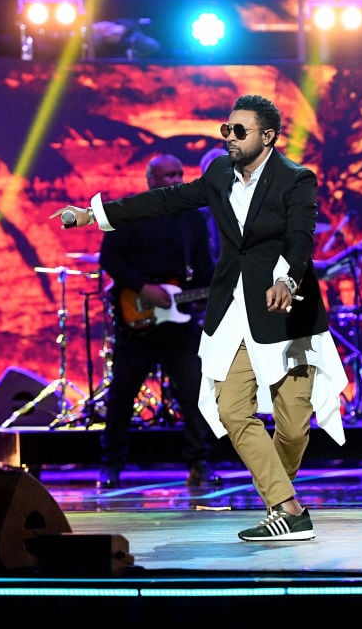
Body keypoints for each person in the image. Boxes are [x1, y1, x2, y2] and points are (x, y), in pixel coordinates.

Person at [53, 94, 348, 541]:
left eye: (239, 130)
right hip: (233, 314)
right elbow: (163, 200)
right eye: (225, 129)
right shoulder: (216, 176)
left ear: (267, 137)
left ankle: (280, 497)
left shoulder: (296, 179)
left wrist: (286, 279)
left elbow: (300, 237)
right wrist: (92, 214)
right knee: (232, 410)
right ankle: (288, 509)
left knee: (291, 426)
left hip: (286, 316)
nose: (228, 137)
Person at [95, 154, 219, 489]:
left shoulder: (192, 218)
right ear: (151, 179)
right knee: (123, 393)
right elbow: (110, 258)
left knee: (194, 391)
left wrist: (211, 291)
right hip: (136, 319)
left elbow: (205, 265)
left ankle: (198, 462)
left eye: (180, 174)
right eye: (169, 175)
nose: (177, 180)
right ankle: (112, 464)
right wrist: (142, 288)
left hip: (179, 321)